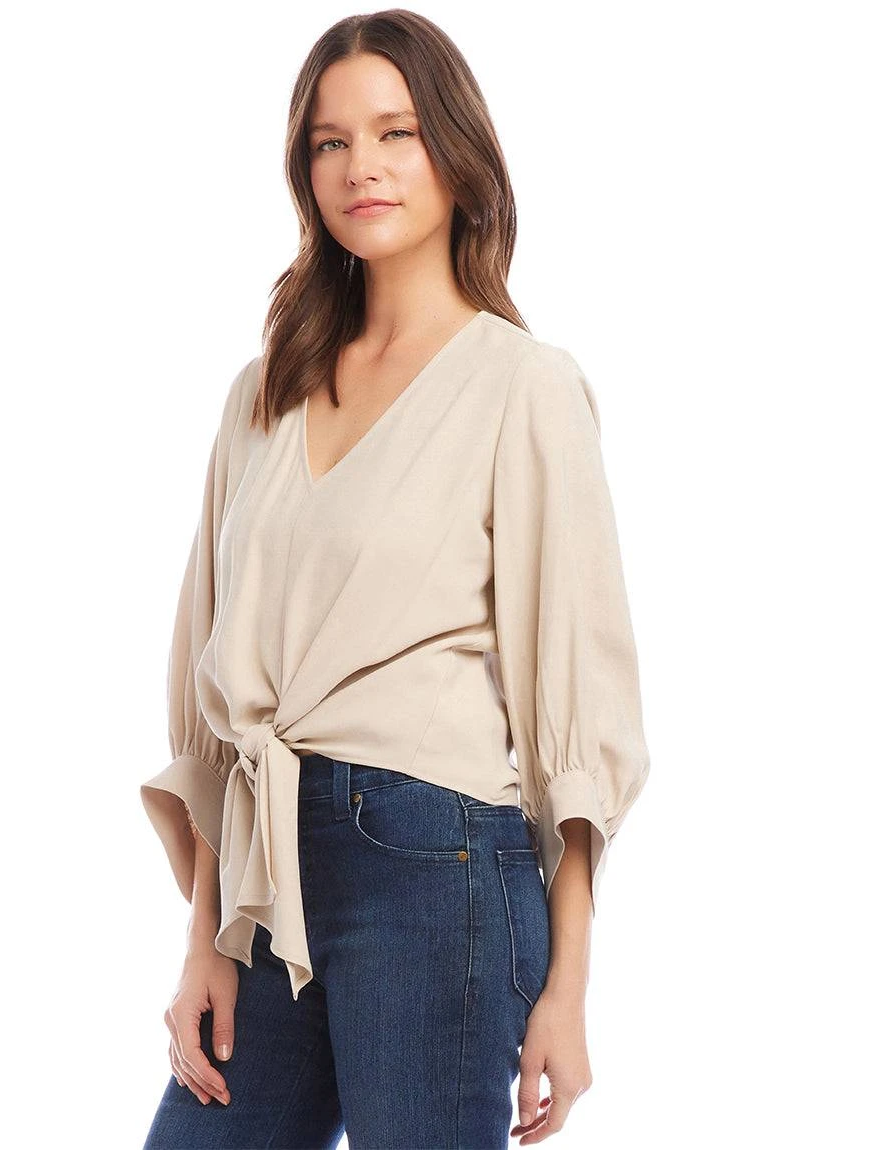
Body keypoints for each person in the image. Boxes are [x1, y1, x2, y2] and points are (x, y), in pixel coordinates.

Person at [139, 10, 650, 1149]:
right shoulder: (262, 394)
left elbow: (577, 714)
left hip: (438, 871)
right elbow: (219, 710)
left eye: (395, 132)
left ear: (456, 152)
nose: (360, 166)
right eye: (330, 142)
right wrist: (203, 939)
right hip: (267, 889)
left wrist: (567, 989)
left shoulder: (521, 387)